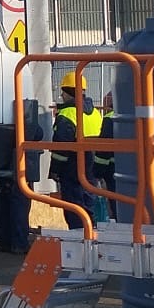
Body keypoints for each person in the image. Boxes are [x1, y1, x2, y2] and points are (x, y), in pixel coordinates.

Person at [51, 70, 106, 230]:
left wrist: (54, 171)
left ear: (68, 92)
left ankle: (78, 242)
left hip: (72, 171)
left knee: (74, 211)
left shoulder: (67, 114)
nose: (61, 96)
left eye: (62, 92)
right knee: (89, 208)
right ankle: (90, 238)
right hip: (91, 170)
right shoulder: (95, 113)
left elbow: (61, 149)